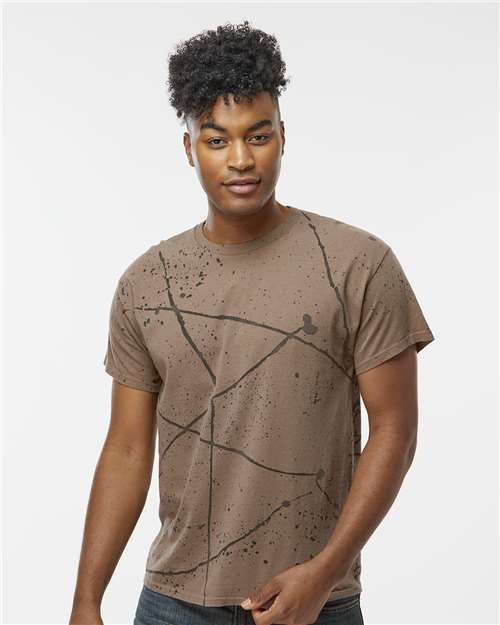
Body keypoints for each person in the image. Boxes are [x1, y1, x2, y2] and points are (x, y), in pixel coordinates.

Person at [69, 20, 435, 625]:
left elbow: (396, 430)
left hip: (315, 602)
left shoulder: (358, 264)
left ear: (283, 137)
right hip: (172, 604)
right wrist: (86, 601)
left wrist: (326, 571)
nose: (241, 159)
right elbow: (127, 449)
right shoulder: (147, 284)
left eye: (258, 136)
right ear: (189, 147)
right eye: (217, 140)